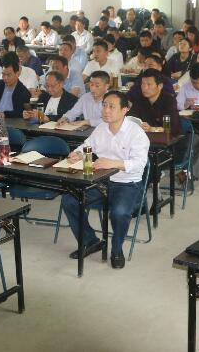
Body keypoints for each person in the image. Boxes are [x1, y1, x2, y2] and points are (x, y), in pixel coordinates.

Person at [61, 91, 150, 269]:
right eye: (104, 105)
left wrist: (114, 163)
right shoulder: (101, 128)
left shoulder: (137, 133)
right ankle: (90, 241)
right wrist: (77, 153)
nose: (106, 110)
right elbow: (87, 145)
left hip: (128, 184)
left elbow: (139, 164)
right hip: (101, 181)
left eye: (111, 107)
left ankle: (116, 249)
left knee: (119, 213)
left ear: (124, 110)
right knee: (70, 201)